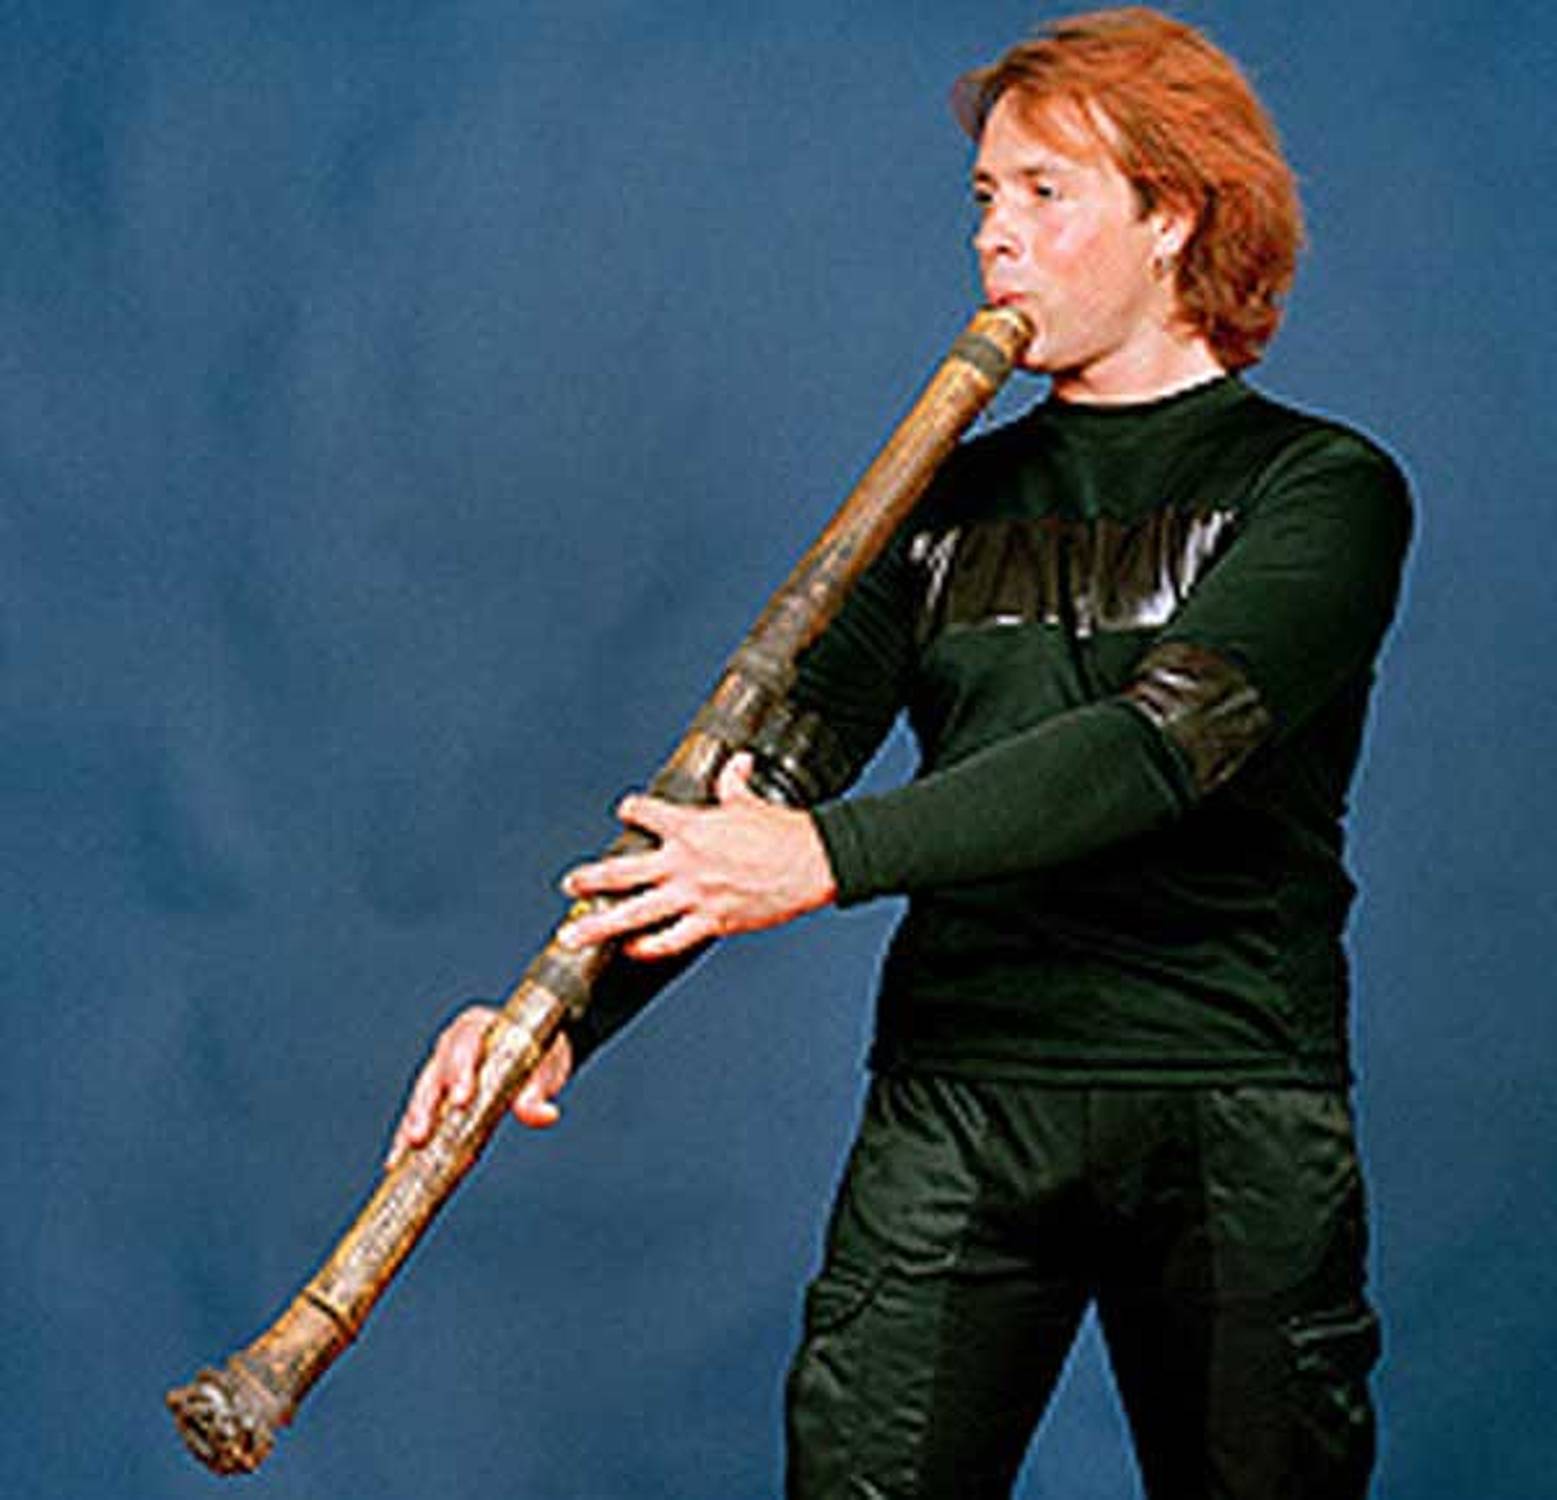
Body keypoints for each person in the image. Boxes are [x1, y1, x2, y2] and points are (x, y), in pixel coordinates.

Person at [389, 8, 1411, 1497]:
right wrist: (553, 1022)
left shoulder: (1321, 489)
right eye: (985, 195)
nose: (996, 234)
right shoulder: (936, 502)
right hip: (960, 1102)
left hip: (1229, 1106)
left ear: (1174, 216)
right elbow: (757, 796)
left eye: (1045, 192)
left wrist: (826, 858)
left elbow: (1154, 751)